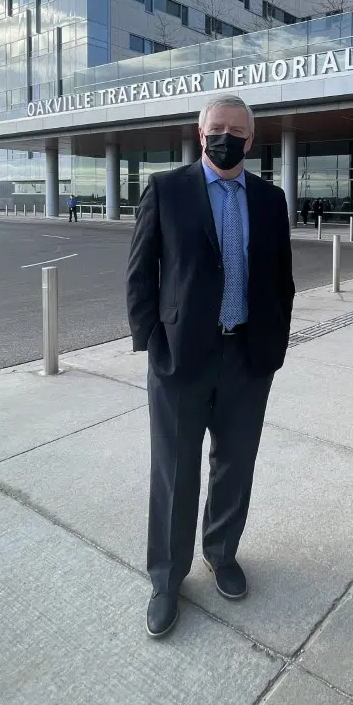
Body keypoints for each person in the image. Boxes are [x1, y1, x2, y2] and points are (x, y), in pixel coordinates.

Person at [126, 93, 296, 638]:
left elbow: (282, 280)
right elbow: (140, 275)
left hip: (248, 357)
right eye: (216, 128)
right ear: (201, 134)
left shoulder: (270, 200)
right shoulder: (167, 189)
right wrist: (153, 342)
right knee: (175, 471)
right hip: (181, 358)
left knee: (235, 465)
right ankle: (166, 578)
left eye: (237, 131)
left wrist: (275, 344)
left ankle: (222, 553)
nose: (227, 137)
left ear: (251, 139)